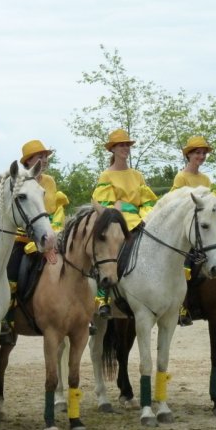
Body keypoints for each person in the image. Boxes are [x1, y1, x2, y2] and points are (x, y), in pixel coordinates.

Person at [0, 139, 68, 344]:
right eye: (40, 156)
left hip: (49, 238)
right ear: (29, 161)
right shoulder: (19, 182)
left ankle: (82, 313)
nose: (44, 160)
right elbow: (14, 214)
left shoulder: (50, 182)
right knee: (12, 274)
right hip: (22, 240)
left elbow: (56, 211)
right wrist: (32, 238)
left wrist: (53, 233)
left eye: (46, 156)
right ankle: (6, 320)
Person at [91, 129, 158, 319]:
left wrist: (146, 216)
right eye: (121, 145)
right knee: (110, 252)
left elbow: (148, 201)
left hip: (139, 220)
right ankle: (102, 296)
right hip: (116, 221)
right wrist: (120, 208)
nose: (125, 148)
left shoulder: (137, 175)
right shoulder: (106, 176)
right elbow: (104, 204)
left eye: (127, 145)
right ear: (112, 149)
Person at [172, 135, 214, 326]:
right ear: (189, 155)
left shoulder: (205, 179)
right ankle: (181, 305)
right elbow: (176, 203)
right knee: (187, 262)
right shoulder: (181, 177)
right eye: (198, 152)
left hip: (204, 227)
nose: (202, 156)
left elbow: (211, 205)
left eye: (204, 153)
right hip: (186, 227)